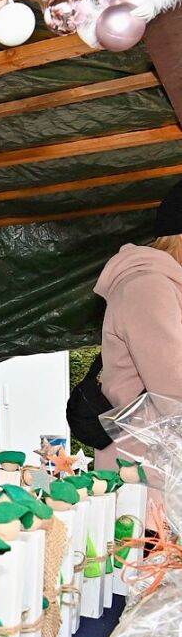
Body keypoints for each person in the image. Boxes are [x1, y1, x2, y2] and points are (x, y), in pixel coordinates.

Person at [93, 181, 182, 529]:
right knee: (145, 579)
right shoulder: (148, 286)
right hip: (145, 485)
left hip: (159, 478)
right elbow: (174, 387)